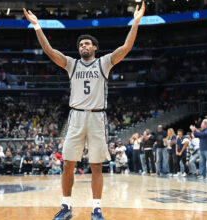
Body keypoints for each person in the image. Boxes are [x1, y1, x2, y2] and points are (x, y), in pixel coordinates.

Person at [23, 2, 145, 220]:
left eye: (87, 44)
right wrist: (37, 26)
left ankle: (97, 209)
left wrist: (135, 22)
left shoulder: (104, 62)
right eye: (81, 45)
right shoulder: (71, 64)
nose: (83, 47)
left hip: (97, 117)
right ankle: (66, 206)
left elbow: (126, 47)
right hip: (76, 116)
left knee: (96, 166)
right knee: (68, 164)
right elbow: (49, 51)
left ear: (94, 48)